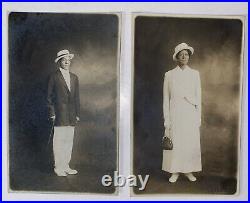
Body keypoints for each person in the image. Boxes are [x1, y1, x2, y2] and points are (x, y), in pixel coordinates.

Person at [162, 43, 202, 183]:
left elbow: (199, 98)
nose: (184, 56)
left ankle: (189, 170)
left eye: (186, 54)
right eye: (181, 54)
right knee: (177, 142)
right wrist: (167, 120)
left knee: (189, 142)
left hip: (190, 113)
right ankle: (175, 170)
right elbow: (166, 99)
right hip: (175, 113)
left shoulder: (195, 74)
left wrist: (198, 118)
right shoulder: (169, 75)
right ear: (177, 57)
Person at [47, 49, 80, 177]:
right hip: (59, 115)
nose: (67, 61)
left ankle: (66, 165)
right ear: (59, 62)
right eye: (63, 59)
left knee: (68, 141)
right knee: (59, 141)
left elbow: (76, 97)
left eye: (68, 59)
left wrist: (77, 113)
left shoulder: (74, 77)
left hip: (71, 115)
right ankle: (58, 167)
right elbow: (48, 97)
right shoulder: (53, 77)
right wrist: (52, 113)